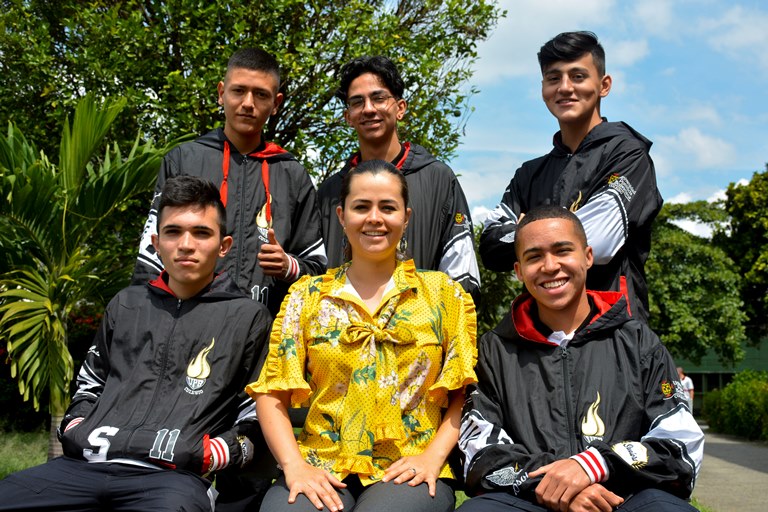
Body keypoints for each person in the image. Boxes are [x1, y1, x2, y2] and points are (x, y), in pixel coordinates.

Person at [0, 176, 272, 512]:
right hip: (82, 468)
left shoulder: (249, 317)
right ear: (156, 243)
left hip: (172, 480)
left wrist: (210, 452)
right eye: (173, 232)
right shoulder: (126, 304)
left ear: (224, 245)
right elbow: (89, 386)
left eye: (201, 233)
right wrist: (75, 429)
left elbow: (257, 413)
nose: (186, 244)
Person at [249, 160, 478, 512]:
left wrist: (433, 458)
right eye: (361, 207)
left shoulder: (444, 294)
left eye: (388, 207)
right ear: (342, 216)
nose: (375, 218)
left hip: (409, 464)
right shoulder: (307, 296)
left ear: (406, 216)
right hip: (322, 461)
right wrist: (295, 466)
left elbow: (462, 392)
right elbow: (271, 391)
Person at [457, 205, 704, 512]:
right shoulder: (494, 351)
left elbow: (679, 447)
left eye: (563, 251)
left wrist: (595, 465)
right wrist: (560, 485)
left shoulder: (639, 342)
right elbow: (480, 453)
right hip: (530, 499)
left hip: (624, 498)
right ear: (519, 270)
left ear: (588, 257)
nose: (550, 266)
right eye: (534, 256)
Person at [479, 31, 662, 322]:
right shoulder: (529, 173)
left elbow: (598, 244)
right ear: (543, 88)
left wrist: (525, 228)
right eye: (554, 78)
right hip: (540, 335)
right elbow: (489, 246)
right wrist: (559, 230)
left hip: (613, 330)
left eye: (578, 76)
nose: (565, 88)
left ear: (604, 85)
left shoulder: (628, 155)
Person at [133, 47, 326, 317]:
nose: (248, 103)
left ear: (276, 103)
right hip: (184, 322)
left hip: (264, 335)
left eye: (261, 95)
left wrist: (288, 266)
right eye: (238, 91)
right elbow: (151, 255)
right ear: (221, 93)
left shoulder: (291, 174)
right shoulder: (184, 160)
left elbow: (318, 268)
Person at [317, 55, 481, 303]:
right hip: (340, 334)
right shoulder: (329, 191)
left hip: (421, 335)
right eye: (357, 102)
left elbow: (462, 277)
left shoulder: (438, 179)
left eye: (379, 98)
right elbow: (315, 276)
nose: (369, 109)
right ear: (348, 117)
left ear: (400, 108)